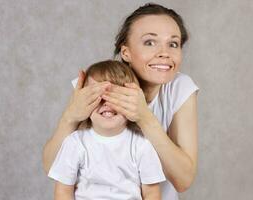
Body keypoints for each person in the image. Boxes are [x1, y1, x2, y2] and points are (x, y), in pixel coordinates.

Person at [42, 3, 199, 200]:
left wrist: (144, 117)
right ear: (126, 52)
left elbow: (183, 181)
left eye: (173, 43)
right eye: (150, 42)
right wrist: (70, 117)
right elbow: (53, 167)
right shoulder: (97, 83)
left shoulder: (180, 87)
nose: (164, 52)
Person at [48, 60, 165, 200]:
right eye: (97, 95)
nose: (107, 103)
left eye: (116, 96)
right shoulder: (75, 143)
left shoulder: (141, 145)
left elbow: (152, 193)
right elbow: (63, 191)